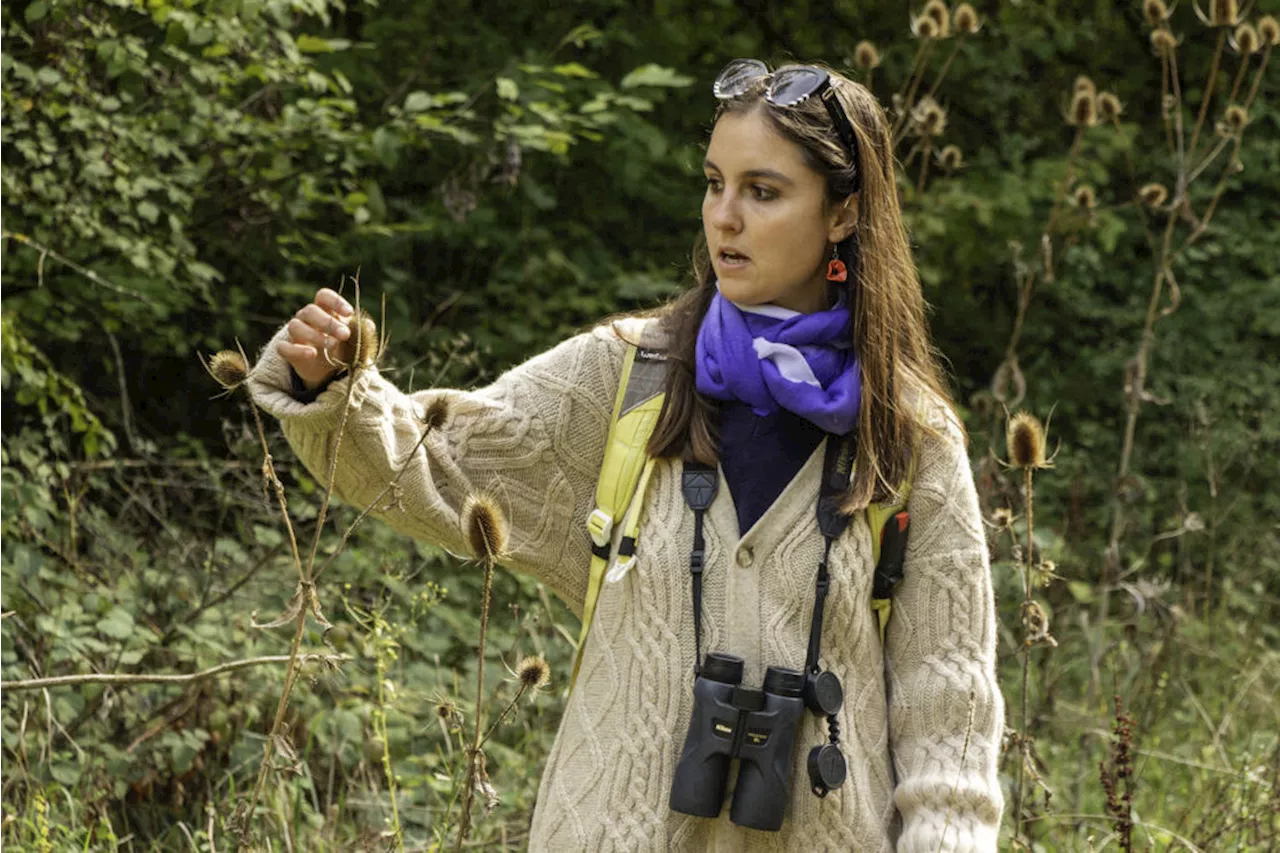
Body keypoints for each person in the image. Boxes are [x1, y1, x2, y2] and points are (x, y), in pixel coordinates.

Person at [248, 59, 1004, 852]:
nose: (725, 218)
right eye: (715, 184)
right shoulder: (629, 375)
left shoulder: (907, 436)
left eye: (763, 191)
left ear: (843, 213)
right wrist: (335, 386)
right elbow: (432, 467)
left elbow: (946, 707)